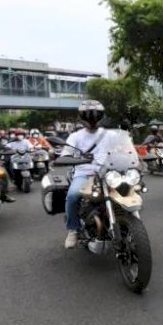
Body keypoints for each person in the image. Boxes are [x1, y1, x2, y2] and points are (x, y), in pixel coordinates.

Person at [62, 100, 111, 249]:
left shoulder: (109, 135)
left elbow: (123, 148)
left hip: (108, 173)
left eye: (96, 115)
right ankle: (73, 229)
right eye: (88, 115)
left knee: (128, 188)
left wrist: (136, 157)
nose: (92, 118)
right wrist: (66, 158)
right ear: (82, 117)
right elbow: (66, 154)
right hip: (84, 174)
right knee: (72, 196)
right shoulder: (75, 137)